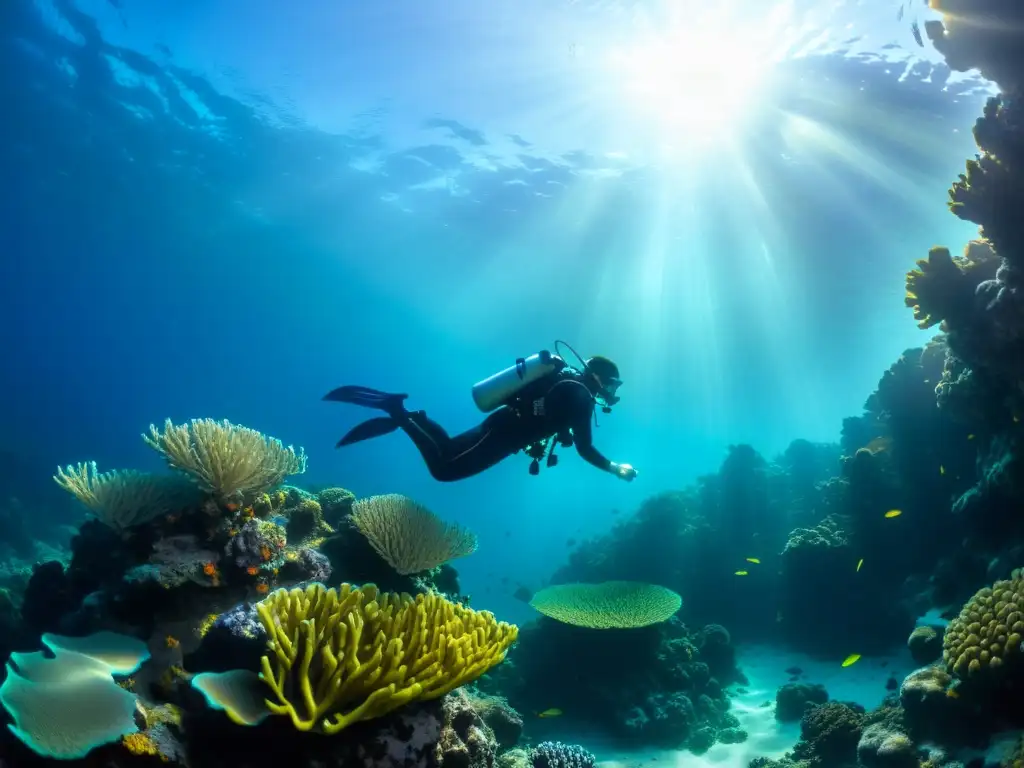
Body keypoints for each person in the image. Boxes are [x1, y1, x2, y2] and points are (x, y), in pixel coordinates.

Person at [324, 355, 638, 483]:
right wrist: (615, 468)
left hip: (502, 425)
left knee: (446, 449)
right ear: (598, 377)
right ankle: (399, 413)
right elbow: (585, 448)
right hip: (504, 436)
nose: (613, 391)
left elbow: (556, 418)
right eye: (613, 384)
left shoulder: (569, 382)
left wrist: (562, 432)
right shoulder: (581, 396)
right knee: (445, 471)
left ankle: (410, 415)